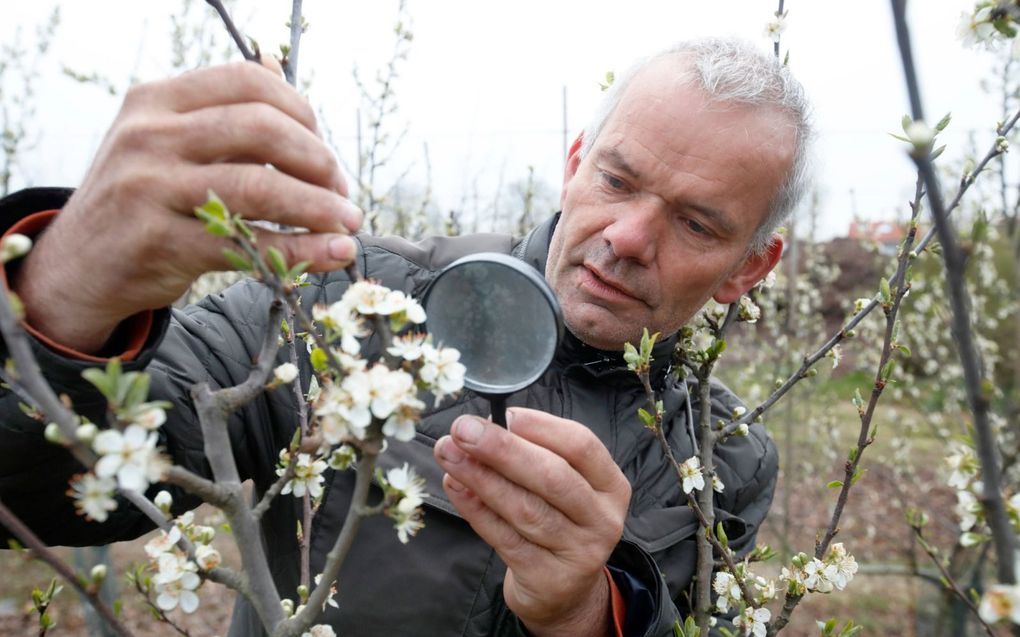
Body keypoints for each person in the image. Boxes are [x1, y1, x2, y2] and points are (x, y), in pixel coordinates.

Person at [0, 36, 810, 637]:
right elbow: (51, 484)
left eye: (697, 223)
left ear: (750, 266)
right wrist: (60, 300)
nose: (630, 236)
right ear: (574, 161)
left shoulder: (725, 455)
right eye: (617, 179)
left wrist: (591, 613)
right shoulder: (355, 296)